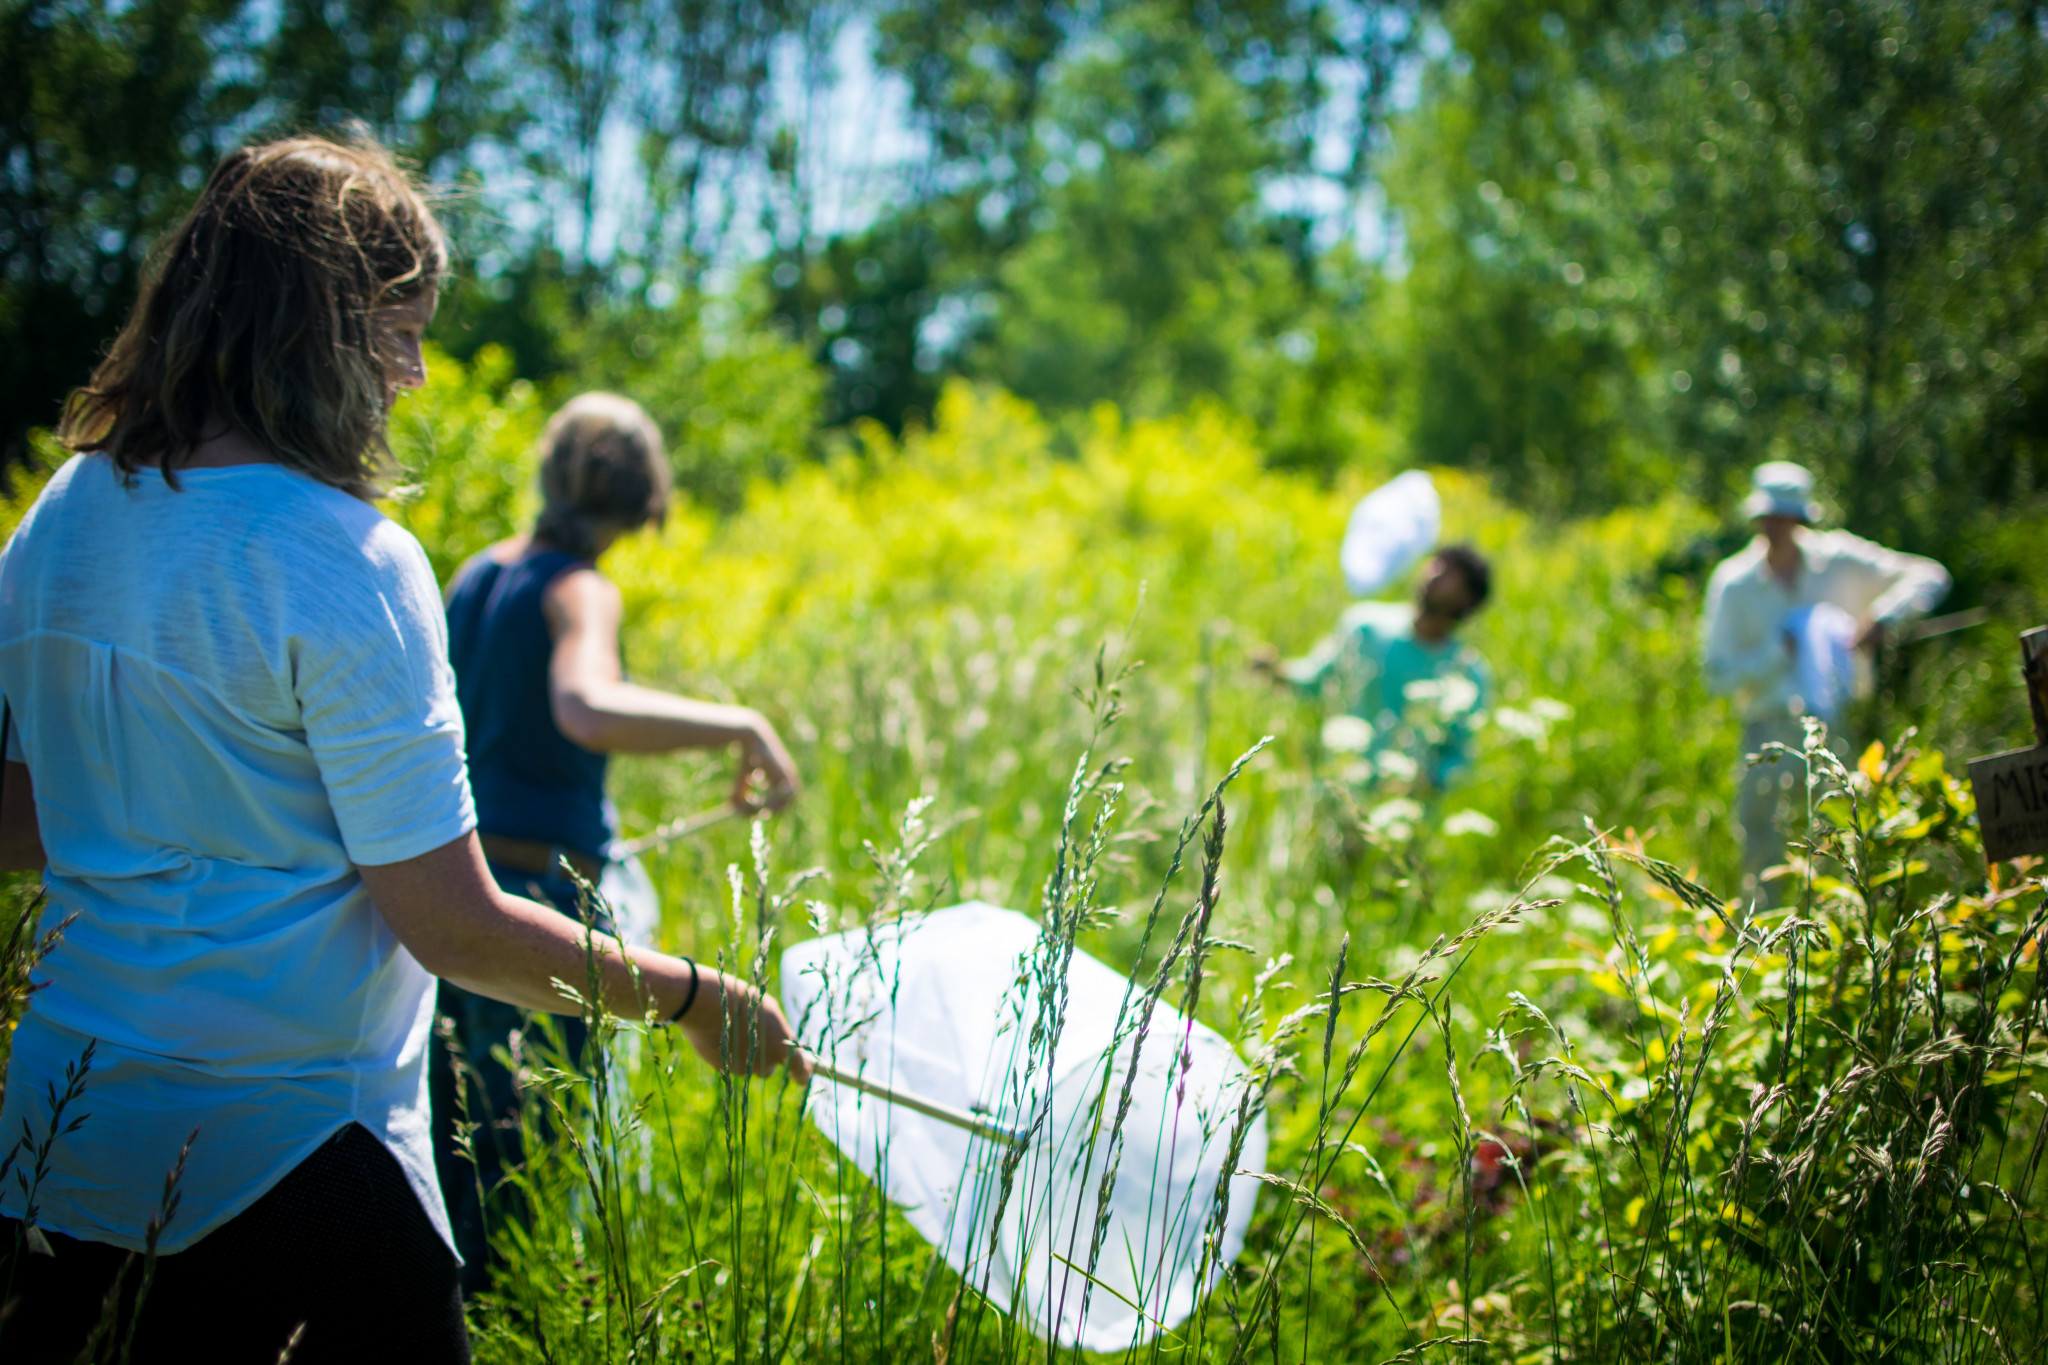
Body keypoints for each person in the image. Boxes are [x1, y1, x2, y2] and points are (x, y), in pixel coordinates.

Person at [0, 134, 802, 1364]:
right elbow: (457, 931)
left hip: (62, 1144)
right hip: (294, 1160)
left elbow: (21, 824)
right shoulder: (343, 555)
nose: (416, 373)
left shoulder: (61, 515)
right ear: (312, 328)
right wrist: (692, 996)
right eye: (398, 330)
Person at [433, 391, 801, 1289]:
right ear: (645, 500)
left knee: (448, 1183)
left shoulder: (477, 574)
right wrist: (740, 725)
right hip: (534, 915)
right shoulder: (581, 587)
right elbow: (583, 705)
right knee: (520, 1197)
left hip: (440, 903)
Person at [1702, 460, 1950, 898]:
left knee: (1840, 845)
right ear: (1757, 518)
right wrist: (1775, 655)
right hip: (1765, 733)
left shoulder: (1840, 560)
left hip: (1835, 730)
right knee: (1763, 854)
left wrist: (1881, 620)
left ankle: (1841, 954)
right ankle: (1765, 953)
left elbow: (1929, 576)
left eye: (1786, 517)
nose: (1776, 527)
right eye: (1769, 518)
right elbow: (1715, 675)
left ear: (1802, 519)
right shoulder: (1734, 582)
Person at [1256, 545, 1494, 793]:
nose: (1434, 574)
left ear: (1469, 599)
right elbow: (1316, 680)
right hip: (1337, 787)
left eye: (1450, 574)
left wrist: (1423, 783)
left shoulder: (1467, 672)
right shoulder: (1365, 627)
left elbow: (1461, 756)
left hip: (1404, 812)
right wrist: (1275, 671)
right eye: (1436, 563)